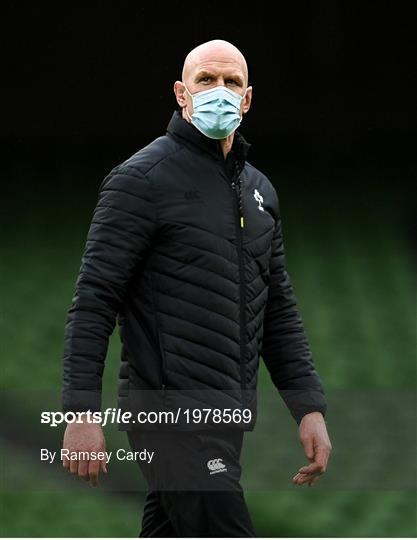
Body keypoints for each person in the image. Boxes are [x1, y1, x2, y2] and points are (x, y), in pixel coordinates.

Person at [62, 39, 332, 537]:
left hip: (227, 418)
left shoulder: (260, 193)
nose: (219, 92)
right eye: (206, 80)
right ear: (181, 94)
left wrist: (308, 407)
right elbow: (94, 301)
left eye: (231, 83)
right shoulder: (140, 180)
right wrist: (81, 413)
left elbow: (277, 311)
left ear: (248, 99)